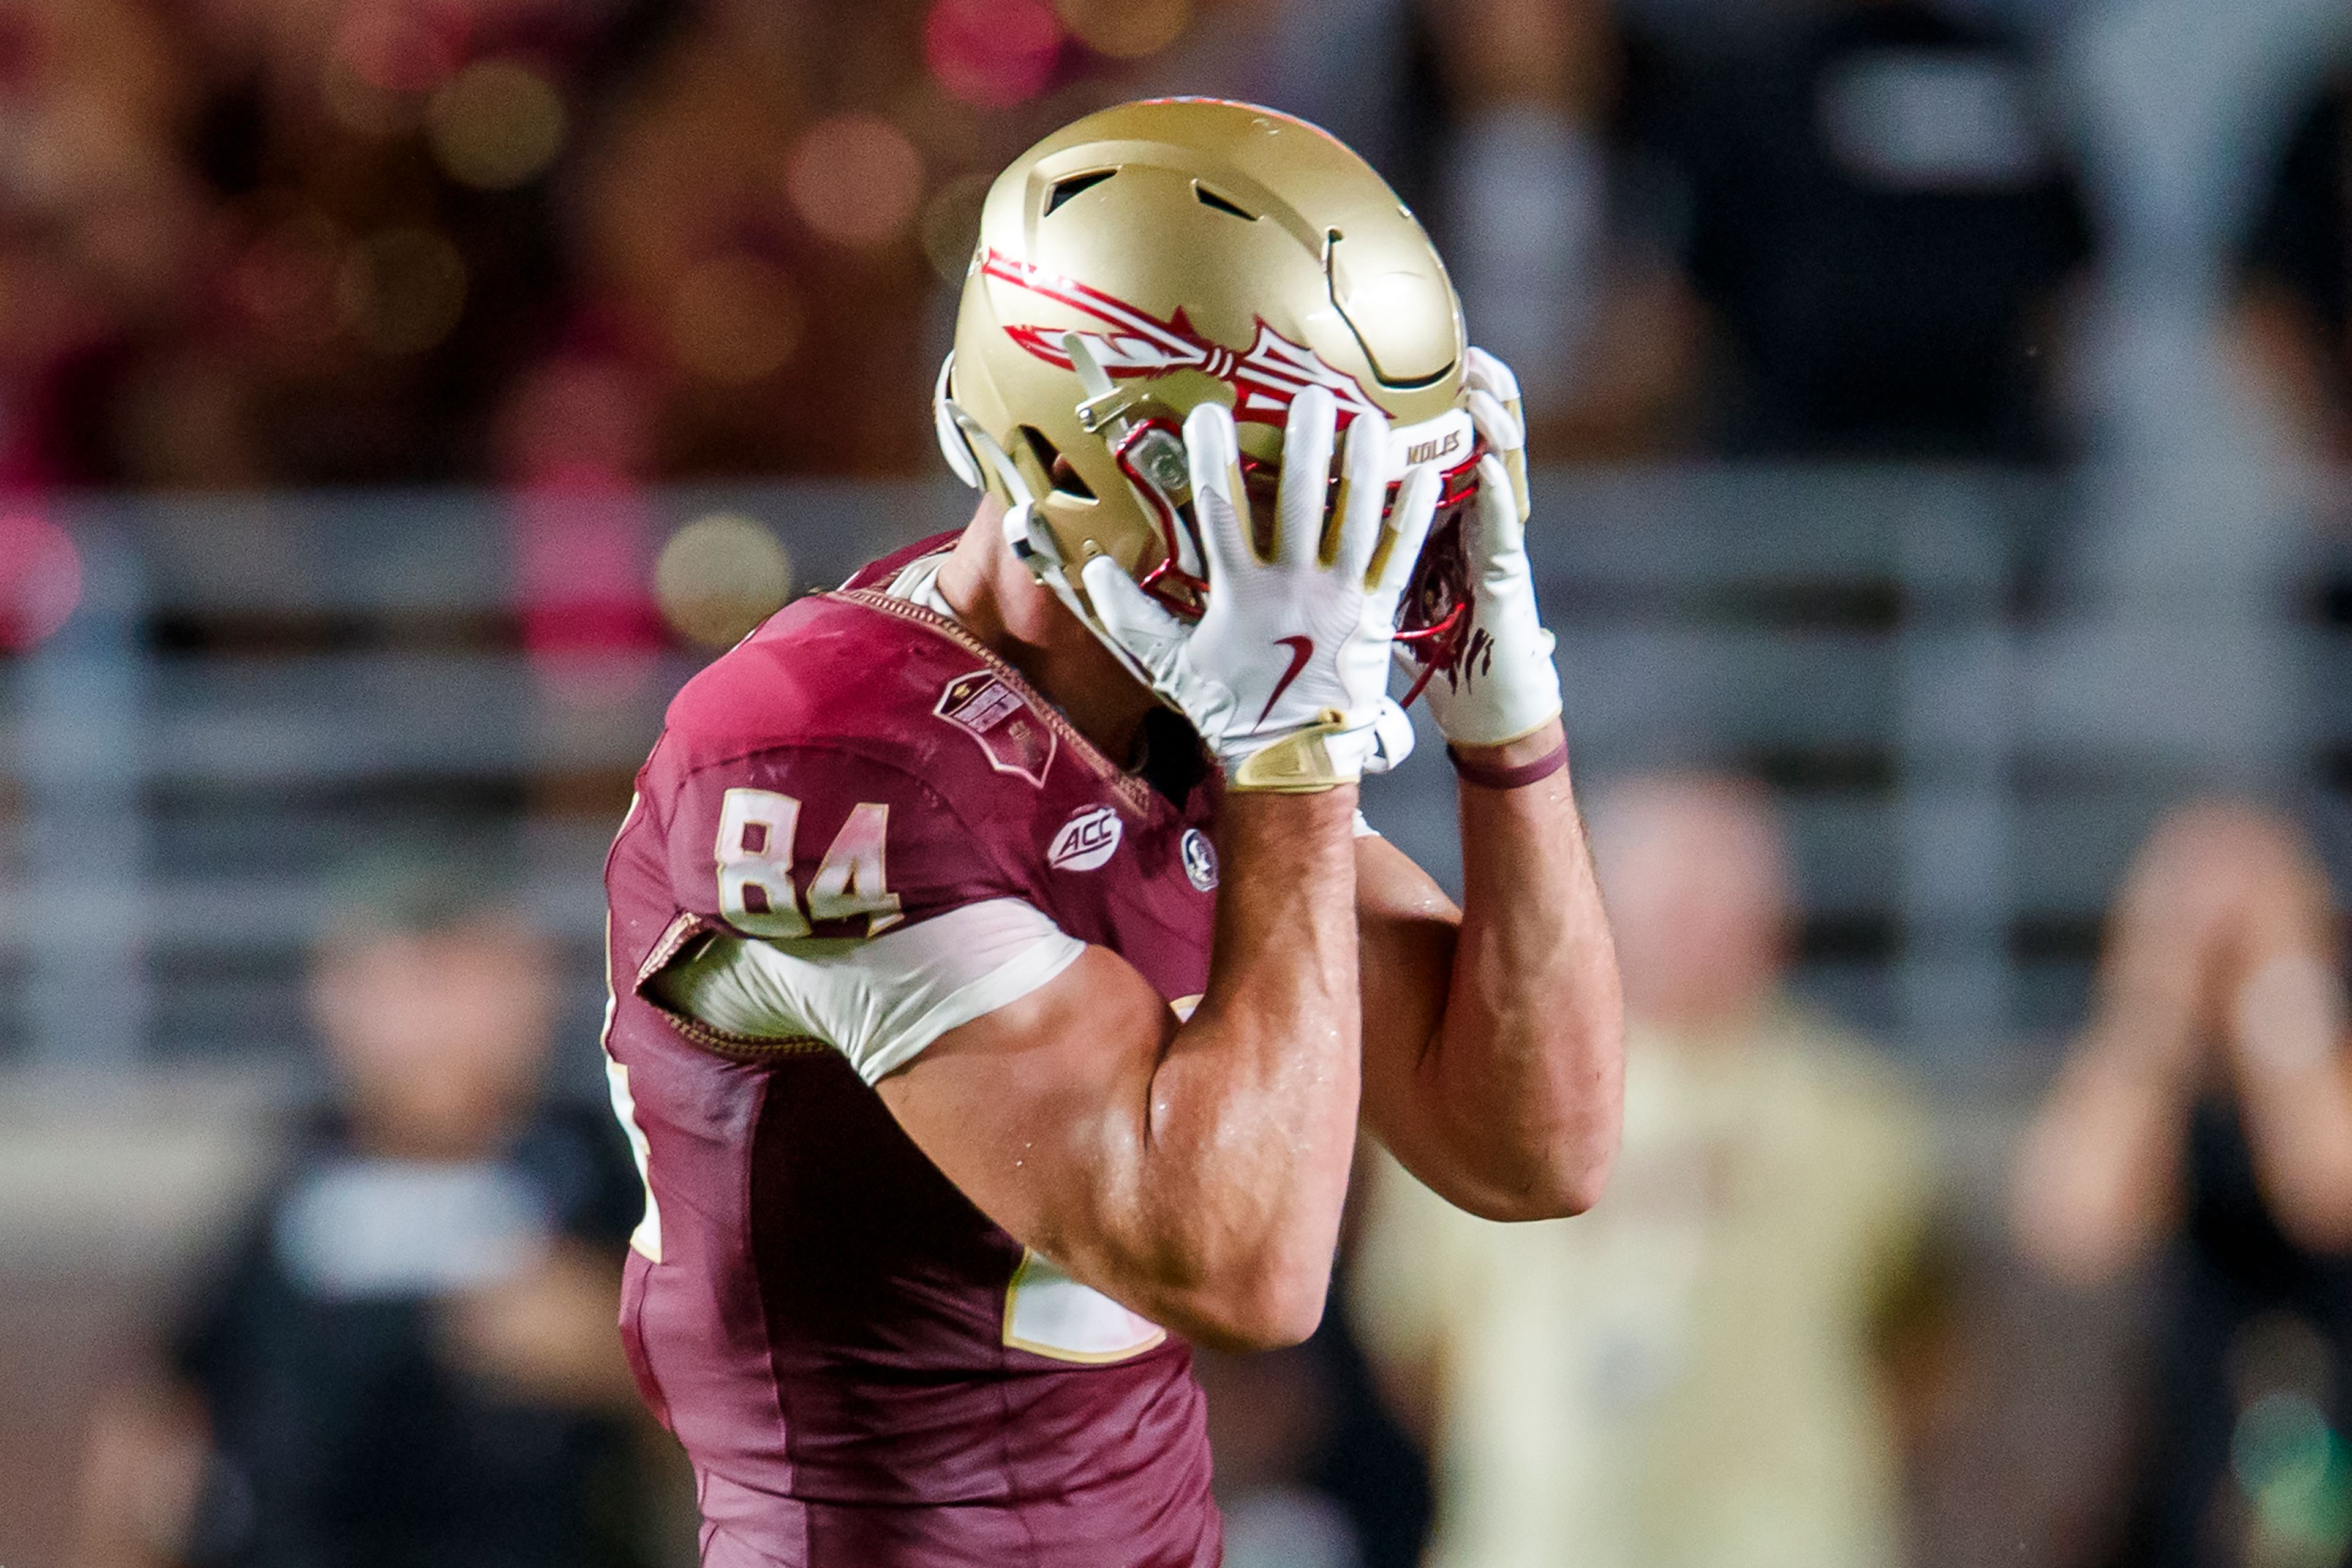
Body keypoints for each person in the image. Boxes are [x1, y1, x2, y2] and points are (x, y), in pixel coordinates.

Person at [600, 97, 1624, 1566]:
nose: (1354, 563)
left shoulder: (1189, 705)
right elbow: (1245, 1267)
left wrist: (1509, 737)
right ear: (1093, 460)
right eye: (1297, 498)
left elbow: (1534, 1151)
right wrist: (1294, 768)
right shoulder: (818, 752)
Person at [1351, 773, 1938, 1568]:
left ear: (1777, 911)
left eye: (1716, 892)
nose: (1691, 922)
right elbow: (1415, 1342)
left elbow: (1923, 1346)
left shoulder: (1854, 1116)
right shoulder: (1482, 1089)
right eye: (1670, 893)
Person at [75, 857, 665, 1568]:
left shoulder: (607, 1163)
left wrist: (616, 1354)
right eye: (399, 987)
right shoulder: (301, 1174)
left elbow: (749, 1398)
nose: (430, 1025)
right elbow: (159, 1408)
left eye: (458, 983)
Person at [2013, 804, 2352, 1568]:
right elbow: (2073, 1228)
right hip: (2177, 1477)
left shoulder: (2321, 1051)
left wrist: (2279, 975)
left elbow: (2326, 1190)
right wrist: (2155, 996)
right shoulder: (2144, 1077)